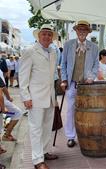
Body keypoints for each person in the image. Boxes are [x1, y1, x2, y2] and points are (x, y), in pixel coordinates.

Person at [19, 24, 59, 169]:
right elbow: (23, 75)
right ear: (38, 36)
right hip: (35, 97)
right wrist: (25, 97)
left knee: (47, 127)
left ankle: (44, 151)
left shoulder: (53, 52)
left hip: (49, 96)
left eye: (49, 34)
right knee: (36, 128)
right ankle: (37, 161)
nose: (47, 37)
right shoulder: (30, 51)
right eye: (44, 34)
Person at [60, 20, 99, 148]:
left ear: (88, 32)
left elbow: (95, 65)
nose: (82, 32)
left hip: (87, 85)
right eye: (79, 29)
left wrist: (91, 77)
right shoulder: (68, 44)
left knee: (87, 111)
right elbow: (64, 64)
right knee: (71, 110)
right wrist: (64, 80)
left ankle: (85, 134)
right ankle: (71, 136)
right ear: (76, 31)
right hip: (72, 83)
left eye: (84, 30)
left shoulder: (94, 47)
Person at [0, 69, 23, 142]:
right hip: (2, 99)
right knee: (17, 113)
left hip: (3, 99)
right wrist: (8, 99)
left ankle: (7, 133)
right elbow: (2, 89)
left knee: (12, 114)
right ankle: (6, 134)